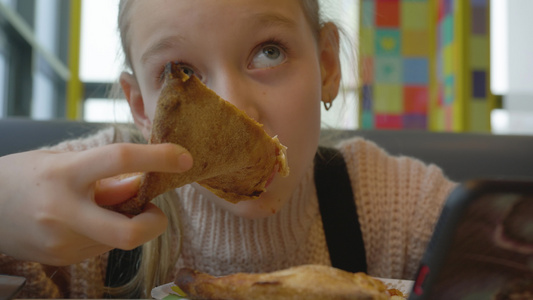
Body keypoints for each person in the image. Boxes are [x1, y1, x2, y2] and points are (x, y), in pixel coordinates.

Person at [0, 0, 457, 298]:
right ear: (142, 107)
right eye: (181, 73)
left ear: (326, 65)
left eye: (269, 52)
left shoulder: (392, 200)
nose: (238, 113)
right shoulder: (93, 196)